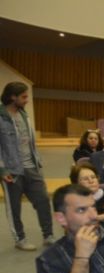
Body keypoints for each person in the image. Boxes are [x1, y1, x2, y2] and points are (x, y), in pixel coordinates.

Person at [0, 81, 54, 250]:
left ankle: (48, 235)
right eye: (23, 96)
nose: (27, 100)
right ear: (12, 97)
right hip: (12, 170)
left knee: (43, 200)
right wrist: (2, 169)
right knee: (14, 207)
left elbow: (29, 142)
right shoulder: (1, 117)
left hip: (32, 167)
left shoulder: (25, 114)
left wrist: (36, 160)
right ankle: (20, 239)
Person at [69, 163, 104, 228]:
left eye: (93, 177)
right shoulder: (73, 202)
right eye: (85, 179)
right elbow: (73, 224)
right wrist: (99, 218)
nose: (91, 181)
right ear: (76, 184)